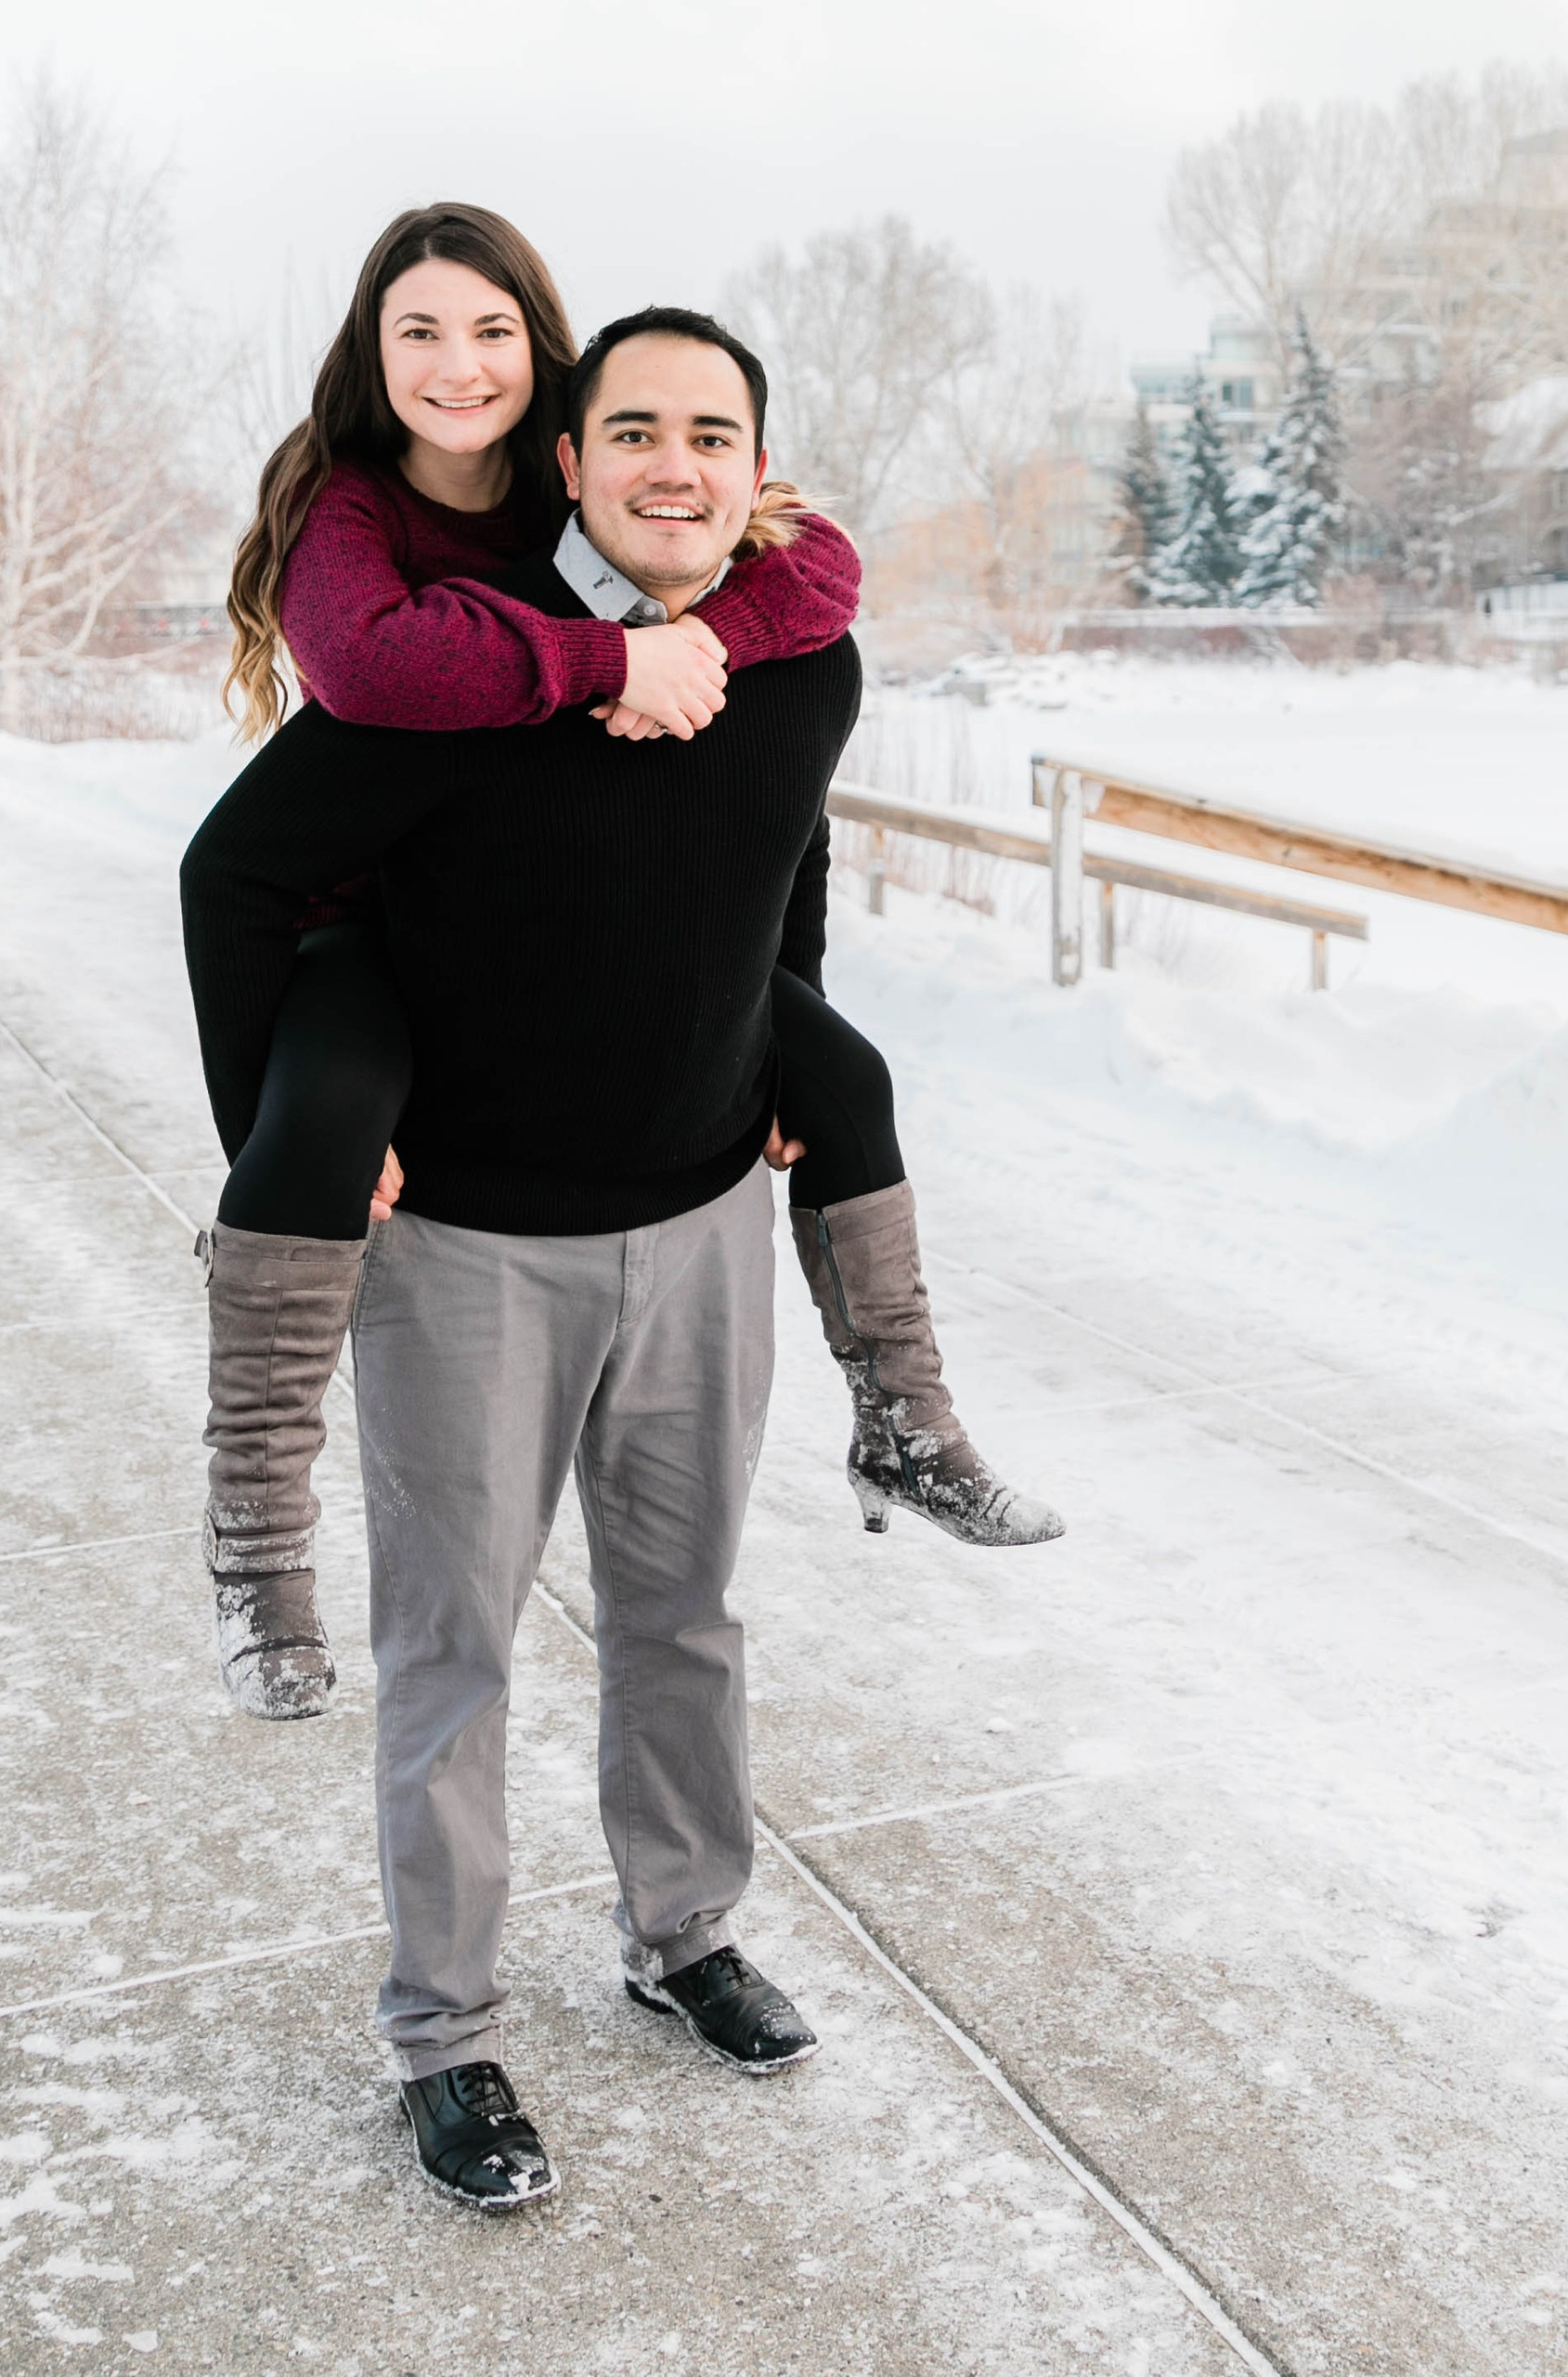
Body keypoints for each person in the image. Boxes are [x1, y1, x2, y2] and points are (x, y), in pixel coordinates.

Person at [184, 307, 951, 2209]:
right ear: (575, 460)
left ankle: (680, 1935)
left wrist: (787, 1036)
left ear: (753, 463)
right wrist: (287, 1135)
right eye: (632, 430)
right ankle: (442, 2036)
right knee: (452, 1655)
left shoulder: (803, 665)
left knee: (682, 1621)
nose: (671, 463)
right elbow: (236, 874)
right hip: (465, 1254)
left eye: (711, 431)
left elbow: (786, 856)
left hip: (697, 1230)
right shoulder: (470, 676)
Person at [198, 205, 1058, 1721]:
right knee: (320, 1118)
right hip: (358, 914)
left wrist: (708, 627)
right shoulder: (356, 512)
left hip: (611, 922)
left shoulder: (597, 472)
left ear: (543, 355)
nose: (460, 368)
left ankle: (906, 1423)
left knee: (845, 1074)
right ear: (369, 353)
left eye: (492, 334)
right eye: (419, 333)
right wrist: (611, 660)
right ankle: (256, 1542)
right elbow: (375, 674)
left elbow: (807, 643)